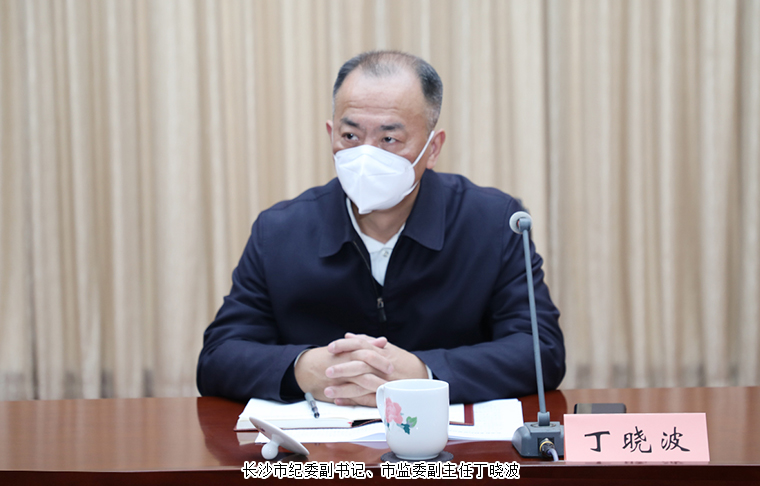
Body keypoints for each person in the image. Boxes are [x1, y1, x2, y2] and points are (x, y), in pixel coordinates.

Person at [197, 50, 565, 407]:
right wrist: (305, 368)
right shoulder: (280, 231)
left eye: (389, 139)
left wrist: (422, 373)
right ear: (331, 134)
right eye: (350, 136)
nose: (366, 155)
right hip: (323, 444)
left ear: (433, 148)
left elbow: (541, 350)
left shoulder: (494, 223)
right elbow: (218, 356)